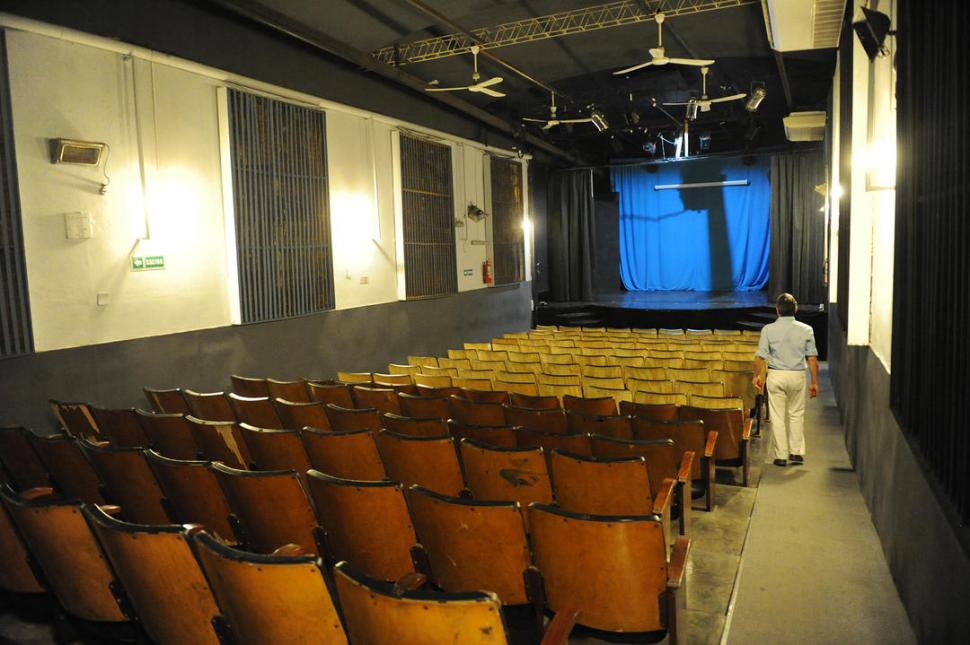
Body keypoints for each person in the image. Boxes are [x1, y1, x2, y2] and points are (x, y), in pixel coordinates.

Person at [752, 293, 819, 467]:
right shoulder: (807, 329)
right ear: (795, 309)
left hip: (776, 375)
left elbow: (760, 357)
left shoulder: (768, 329)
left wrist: (756, 376)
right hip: (797, 375)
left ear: (777, 310)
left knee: (777, 416)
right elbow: (812, 358)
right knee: (796, 414)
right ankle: (796, 452)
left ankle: (781, 455)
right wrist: (814, 382)